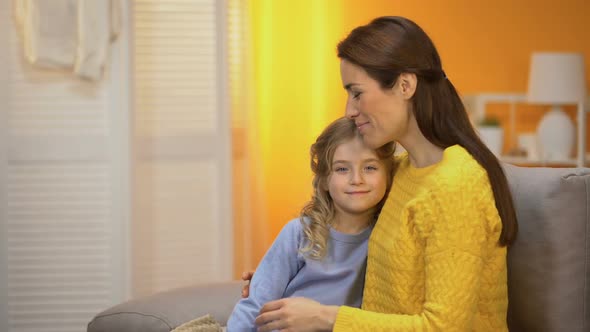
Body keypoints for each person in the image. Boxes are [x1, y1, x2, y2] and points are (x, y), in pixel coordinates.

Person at [246, 16, 518, 332]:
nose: (349, 109)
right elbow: (351, 242)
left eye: (357, 92)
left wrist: (325, 317)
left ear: (405, 85)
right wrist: (283, 277)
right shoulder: (401, 172)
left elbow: (444, 327)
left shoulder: (456, 185)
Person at [227, 117, 396, 331]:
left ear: (389, 176)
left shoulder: (389, 240)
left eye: (370, 167)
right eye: (342, 169)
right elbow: (255, 304)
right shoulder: (298, 233)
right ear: (324, 179)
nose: (357, 179)